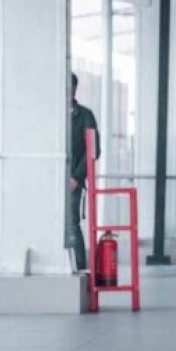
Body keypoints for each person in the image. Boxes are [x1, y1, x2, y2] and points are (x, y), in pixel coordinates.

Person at [68, 73, 100, 272]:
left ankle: (80, 270)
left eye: (69, 88)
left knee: (71, 223)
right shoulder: (52, 116)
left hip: (73, 178)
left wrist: (77, 177)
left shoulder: (85, 116)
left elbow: (93, 150)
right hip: (51, 176)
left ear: (74, 90)